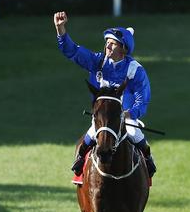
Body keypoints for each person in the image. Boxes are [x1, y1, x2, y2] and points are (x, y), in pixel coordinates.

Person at [53, 11, 157, 177]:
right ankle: (80, 162)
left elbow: (142, 99)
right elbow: (72, 51)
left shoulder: (135, 70)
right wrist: (61, 30)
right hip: (102, 118)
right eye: (107, 42)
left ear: (124, 48)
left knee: (133, 133)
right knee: (91, 135)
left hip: (126, 118)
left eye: (113, 43)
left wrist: (129, 113)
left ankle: (148, 159)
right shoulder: (97, 61)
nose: (108, 46)